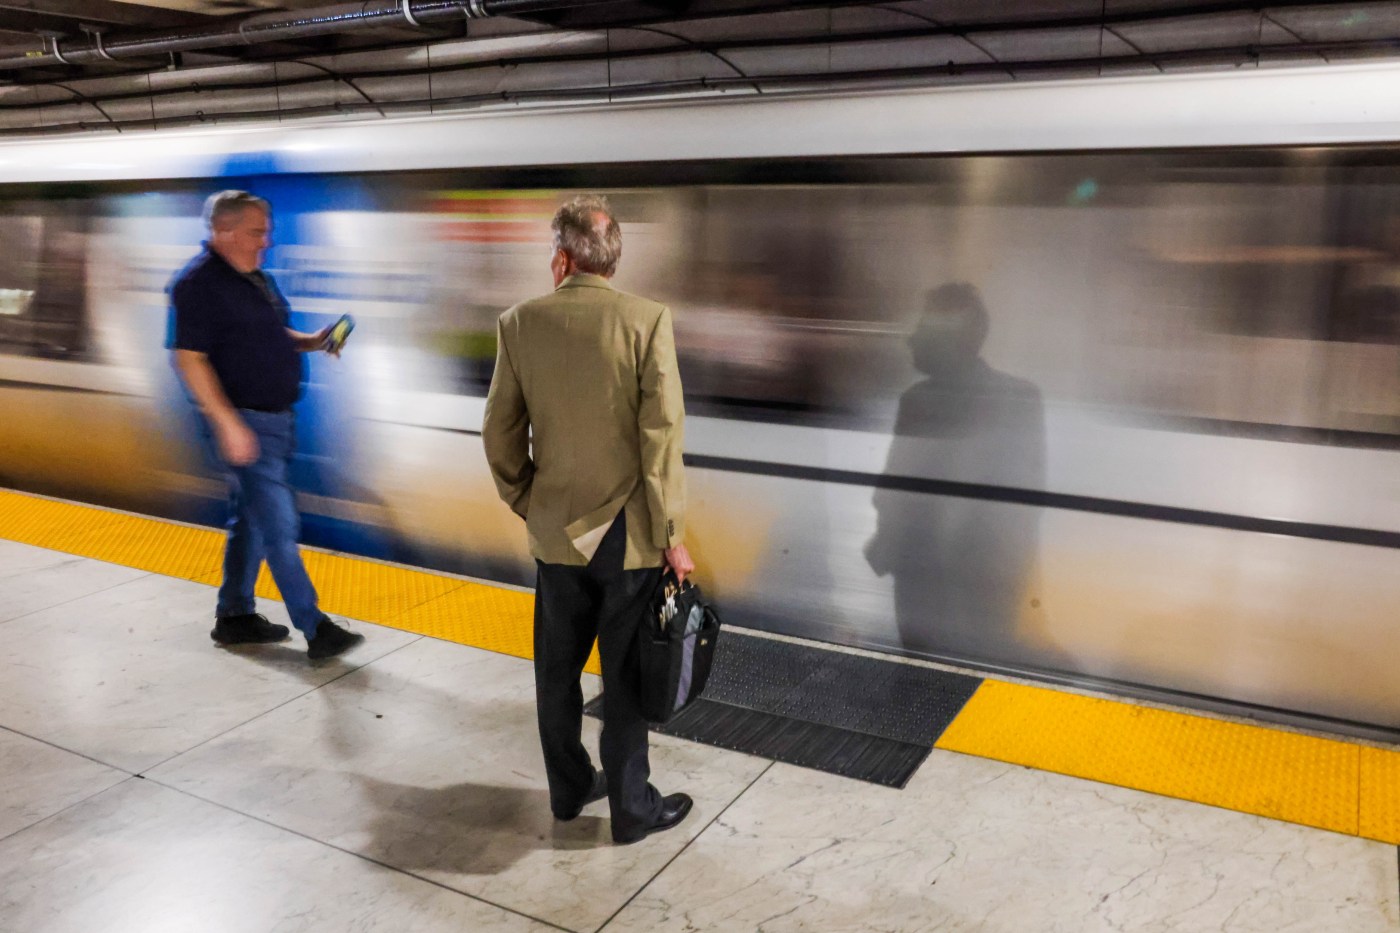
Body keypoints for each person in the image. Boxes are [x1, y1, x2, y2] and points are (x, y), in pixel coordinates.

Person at [482, 194, 695, 845]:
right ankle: (631, 807)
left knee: (556, 670)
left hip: (556, 536)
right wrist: (671, 536)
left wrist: (528, 500)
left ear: (562, 257)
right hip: (627, 538)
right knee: (624, 678)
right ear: (612, 257)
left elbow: (498, 433)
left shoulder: (519, 323)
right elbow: (661, 438)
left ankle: (570, 787)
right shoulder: (646, 320)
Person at [168, 189, 364, 661]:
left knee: (250, 525)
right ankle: (316, 628)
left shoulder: (256, 279)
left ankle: (234, 617)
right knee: (279, 526)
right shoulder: (196, 284)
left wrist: (314, 342)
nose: (267, 241)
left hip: (274, 423)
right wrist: (228, 425)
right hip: (246, 426)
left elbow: (272, 334)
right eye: (257, 232)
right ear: (224, 231)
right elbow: (188, 358)